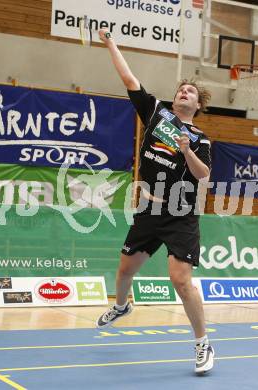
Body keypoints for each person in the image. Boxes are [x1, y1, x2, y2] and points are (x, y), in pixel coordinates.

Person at [97, 28, 214, 375]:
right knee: (124, 271)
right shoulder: (155, 113)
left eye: (190, 91)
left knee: (180, 280)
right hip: (149, 207)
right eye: (181, 89)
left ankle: (202, 342)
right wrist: (110, 43)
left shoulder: (200, 138)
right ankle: (121, 307)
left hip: (180, 212)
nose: (184, 92)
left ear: (198, 104)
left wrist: (186, 149)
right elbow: (129, 77)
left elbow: (203, 173)